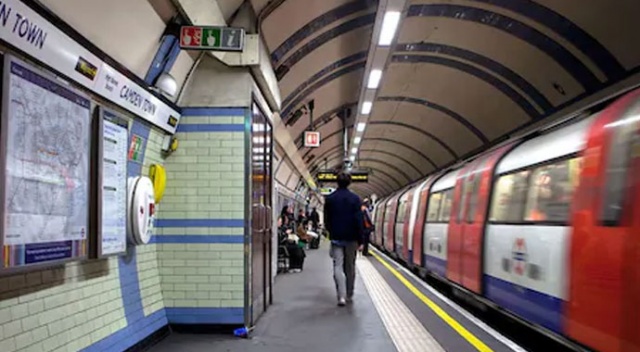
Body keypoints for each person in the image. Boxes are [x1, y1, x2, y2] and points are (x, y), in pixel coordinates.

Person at [324, 172, 364, 306]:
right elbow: (359, 220)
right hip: (352, 238)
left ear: (337, 182)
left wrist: (331, 232)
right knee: (350, 266)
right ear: (349, 183)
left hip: (336, 237)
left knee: (337, 266)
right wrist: (361, 239)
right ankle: (349, 293)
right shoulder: (355, 199)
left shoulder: (330, 198)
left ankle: (340, 296)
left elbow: (327, 220)